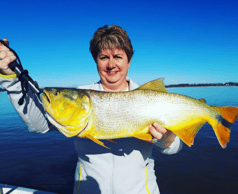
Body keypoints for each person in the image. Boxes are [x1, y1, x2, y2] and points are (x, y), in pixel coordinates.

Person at [0, 25, 183, 194]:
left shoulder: (151, 99)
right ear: (96, 61)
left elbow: (174, 147)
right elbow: (38, 124)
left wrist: (166, 139)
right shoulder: (80, 97)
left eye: (118, 57)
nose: (111, 64)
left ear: (129, 61)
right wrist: (11, 78)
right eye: (104, 57)